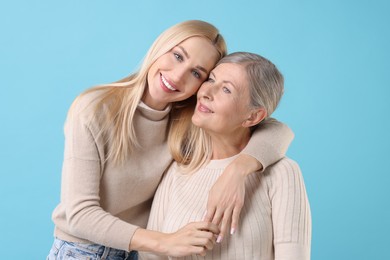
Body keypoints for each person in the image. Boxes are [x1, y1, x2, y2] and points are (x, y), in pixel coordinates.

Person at [47, 20, 294, 260]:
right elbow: (79, 214)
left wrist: (237, 171)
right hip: (83, 251)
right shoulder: (96, 109)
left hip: (140, 253)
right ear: (162, 46)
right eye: (178, 56)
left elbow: (277, 130)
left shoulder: (188, 122)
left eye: (197, 73)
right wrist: (166, 242)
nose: (177, 76)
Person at [141, 52, 311, 260]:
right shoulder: (179, 170)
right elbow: (148, 256)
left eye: (226, 89)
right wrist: (175, 244)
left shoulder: (282, 174)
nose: (206, 92)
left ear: (253, 116)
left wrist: (236, 170)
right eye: (211, 79)